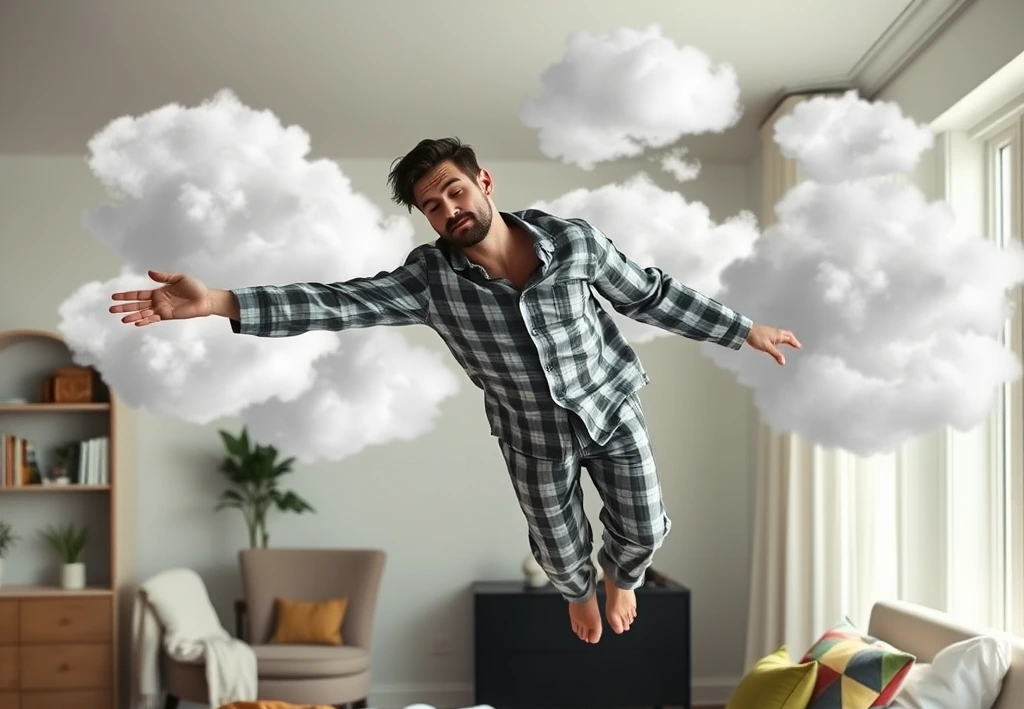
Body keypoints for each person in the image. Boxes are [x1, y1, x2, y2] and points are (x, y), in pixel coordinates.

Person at [109, 137, 800, 645]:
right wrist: (219, 301)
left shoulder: (575, 244)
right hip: (532, 433)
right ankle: (578, 588)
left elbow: (650, 295)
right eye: (432, 206)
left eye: (455, 191)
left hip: (608, 405)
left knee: (646, 526)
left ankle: (620, 575)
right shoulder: (430, 281)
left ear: (484, 182)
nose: (448, 210)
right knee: (558, 551)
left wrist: (744, 330)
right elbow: (334, 302)